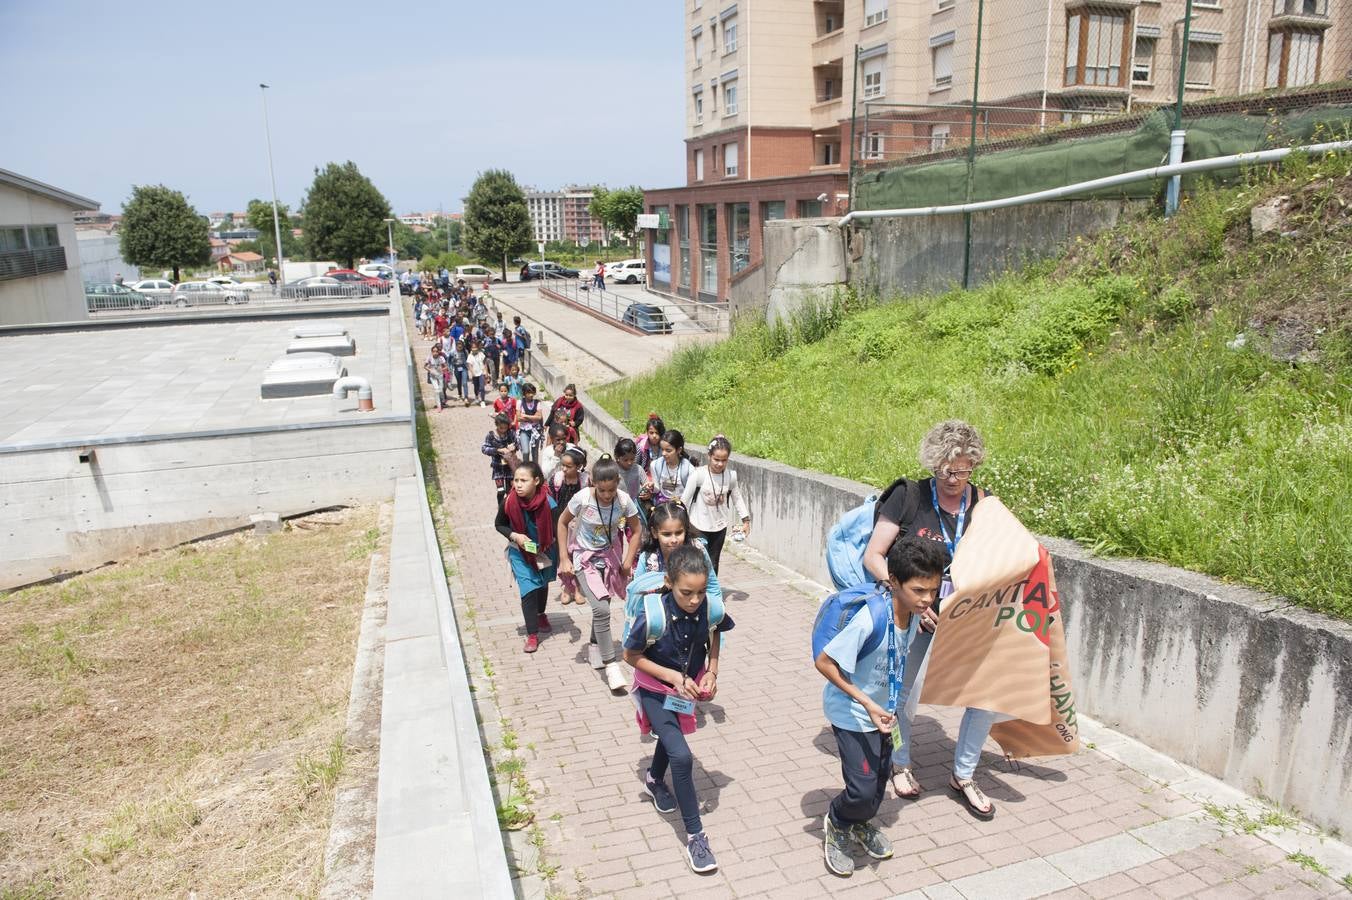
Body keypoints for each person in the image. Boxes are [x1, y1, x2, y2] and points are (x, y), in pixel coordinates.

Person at [861, 419, 998, 819]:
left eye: (963, 469)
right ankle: (899, 764)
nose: (954, 478)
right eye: (946, 469)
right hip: (915, 612)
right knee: (902, 692)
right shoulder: (908, 496)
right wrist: (911, 600)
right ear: (933, 463)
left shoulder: (984, 503)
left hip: (968, 616)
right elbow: (873, 555)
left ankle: (964, 774)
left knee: (986, 695)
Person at [815, 537, 949, 878]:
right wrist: (867, 702)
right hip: (853, 713)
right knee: (860, 790)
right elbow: (825, 661)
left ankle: (860, 823)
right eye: (919, 590)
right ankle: (838, 821)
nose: (928, 599)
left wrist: (883, 707)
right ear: (894, 583)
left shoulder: (914, 614)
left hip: (884, 715)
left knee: (877, 786)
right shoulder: (870, 618)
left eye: (933, 590)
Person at [622, 545, 733, 875]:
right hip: (656, 689)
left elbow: (715, 632)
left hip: (686, 690)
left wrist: (712, 671)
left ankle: (654, 779)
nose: (695, 600)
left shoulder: (709, 607)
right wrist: (671, 676)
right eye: (687, 593)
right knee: (682, 756)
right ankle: (696, 836)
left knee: (671, 739)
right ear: (669, 583)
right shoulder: (653, 614)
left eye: (700, 592)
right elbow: (630, 655)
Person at [557, 455, 642, 692]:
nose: (606, 495)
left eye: (611, 490)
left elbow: (636, 530)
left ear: (617, 483)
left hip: (610, 557)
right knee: (601, 608)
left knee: (603, 602)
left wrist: (627, 561)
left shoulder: (624, 500)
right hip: (584, 558)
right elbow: (562, 523)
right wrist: (564, 558)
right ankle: (610, 664)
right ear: (593, 482)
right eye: (602, 490)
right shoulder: (582, 499)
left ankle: (595, 646)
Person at [496, 462, 559, 653]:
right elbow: (499, 524)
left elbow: (559, 529)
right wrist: (515, 536)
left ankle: (541, 614)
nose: (518, 485)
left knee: (542, 583)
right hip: (520, 551)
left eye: (524, 480)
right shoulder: (509, 501)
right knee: (528, 588)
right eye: (516, 480)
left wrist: (560, 551)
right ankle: (532, 634)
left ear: (536, 481)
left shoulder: (550, 504)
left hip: (544, 550)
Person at [681, 435, 751, 574]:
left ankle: (711, 594)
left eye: (724, 460)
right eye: (716, 459)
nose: (719, 464)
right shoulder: (698, 475)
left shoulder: (731, 476)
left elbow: (737, 498)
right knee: (698, 561)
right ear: (709, 456)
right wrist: (682, 524)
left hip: (719, 527)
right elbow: (684, 501)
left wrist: (746, 520)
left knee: (713, 562)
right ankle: (697, 592)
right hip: (698, 525)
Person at [634, 502, 722, 607]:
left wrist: (714, 611)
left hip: (695, 613)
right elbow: (636, 594)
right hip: (660, 616)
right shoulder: (647, 558)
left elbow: (712, 586)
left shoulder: (698, 550)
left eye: (679, 533)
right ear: (654, 533)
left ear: (685, 529)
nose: (674, 540)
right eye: (667, 534)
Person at [549, 446, 588, 606]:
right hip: (561, 524)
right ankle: (566, 587)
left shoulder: (586, 480)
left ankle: (577, 588)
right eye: (562, 465)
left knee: (578, 556)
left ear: (579, 466)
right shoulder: (556, 480)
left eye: (568, 466)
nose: (564, 469)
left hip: (580, 524)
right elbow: (550, 501)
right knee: (563, 555)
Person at [481, 414, 519, 506]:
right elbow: (484, 449)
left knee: (510, 491)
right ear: (496, 425)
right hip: (498, 468)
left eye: (505, 428)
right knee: (501, 491)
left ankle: (509, 508)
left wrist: (513, 447)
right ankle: (500, 507)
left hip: (510, 467)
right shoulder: (491, 436)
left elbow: (518, 445)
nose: (503, 430)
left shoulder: (511, 433)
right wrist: (498, 450)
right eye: (501, 428)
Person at [649, 430, 694, 505]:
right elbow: (657, 489)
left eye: (668, 450)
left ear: (679, 450)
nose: (663, 453)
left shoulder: (689, 470)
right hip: (662, 505)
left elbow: (689, 496)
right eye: (662, 449)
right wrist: (652, 487)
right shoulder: (655, 465)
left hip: (681, 506)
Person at [516, 384, 545, 463]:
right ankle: (526, 469)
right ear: (524, 393)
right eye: (528, 393)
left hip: (535, 430)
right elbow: (518, 418)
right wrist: (533, 417)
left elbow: (539, 417)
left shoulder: (537, 403)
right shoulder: (520, 402)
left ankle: (535, 471)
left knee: (535, 453)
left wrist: (525, 416)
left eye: (532, 392)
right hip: (524, 430)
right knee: (525, 452)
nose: (531, 395)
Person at [423, 344, 449, 411]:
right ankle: (439, 406)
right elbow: (425, 366)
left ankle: (442, 400)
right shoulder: (429, 358)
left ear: (438, 352)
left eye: (436, 351)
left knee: (440, 390)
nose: (435, 353)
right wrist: (430, 370)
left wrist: (442, 369)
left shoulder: (441, 358)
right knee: (436, 390)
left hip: (440, 376)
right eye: (433, 351)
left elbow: (446, 367)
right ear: (431, 352)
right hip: (433, 377)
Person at [467, 340, 488, 407]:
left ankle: (482, 400)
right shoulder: (470, 356)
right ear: (471, 348)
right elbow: (469, 365)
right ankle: (476, 396)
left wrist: (486, 372)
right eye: (473, 348)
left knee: (482, 387)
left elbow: (485, 363)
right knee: (476, 387)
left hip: (481, 372)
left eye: (475, 347)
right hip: (475, 373)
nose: (474, 349)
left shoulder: (481, 354)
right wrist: (472, 372)